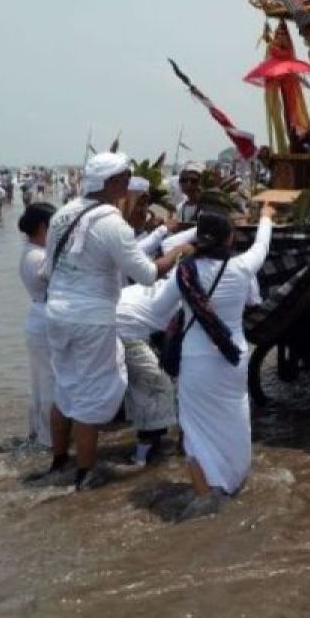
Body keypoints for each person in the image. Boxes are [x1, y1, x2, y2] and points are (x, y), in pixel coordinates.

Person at [30, 152, 185, 490]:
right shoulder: (112, 222)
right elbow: (145, 274)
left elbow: (48, 268)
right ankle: (85, 475)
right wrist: (177, 253)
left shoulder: (63, 214)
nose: (129, 184)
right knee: (92, 398)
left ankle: (59, 462)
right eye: (126, 178)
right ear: (113, 182)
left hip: (56, 313)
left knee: (66, 388)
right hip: (92, 318)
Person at [146, 203, 275, 518]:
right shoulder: (243, 267)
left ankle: (205, 495)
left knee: (196, 430)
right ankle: (231, 482)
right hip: (233, 358)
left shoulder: (185, 272)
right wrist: (265, 217)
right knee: (234, 421)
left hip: (197, 361)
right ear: (230, 239)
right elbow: (262, 245)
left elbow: (157, 311)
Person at [116, 283, 179, 466]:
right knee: (159, 386)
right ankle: (142, 457)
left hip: (112, 323)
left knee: (145, 388)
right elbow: (171, 343)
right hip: (122, 332)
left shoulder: (170, 282)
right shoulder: (185, 298)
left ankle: (148, 446)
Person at [18, 202, 57, 446]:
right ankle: (49, 439)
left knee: (41, 381)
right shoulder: (38, 256)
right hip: (44, 319)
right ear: (44, 226)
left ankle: (40, 434)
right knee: (49, 382)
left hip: (38, 316)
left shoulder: (32, 251)